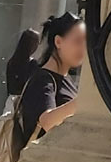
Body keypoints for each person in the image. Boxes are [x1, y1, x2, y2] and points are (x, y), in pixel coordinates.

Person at [18, 12, 85, 146]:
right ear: (58, 42)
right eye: (77, 41)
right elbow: (47, 122)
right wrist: (84, 101)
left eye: (85, 42)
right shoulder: (42, 79)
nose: (83, 48)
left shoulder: (67, 80)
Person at [5, 27, 40, 98]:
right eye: (36, 42)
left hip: (11, 101)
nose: (37, 46)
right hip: (25, 103)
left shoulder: (12, 62)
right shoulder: (32, 64)